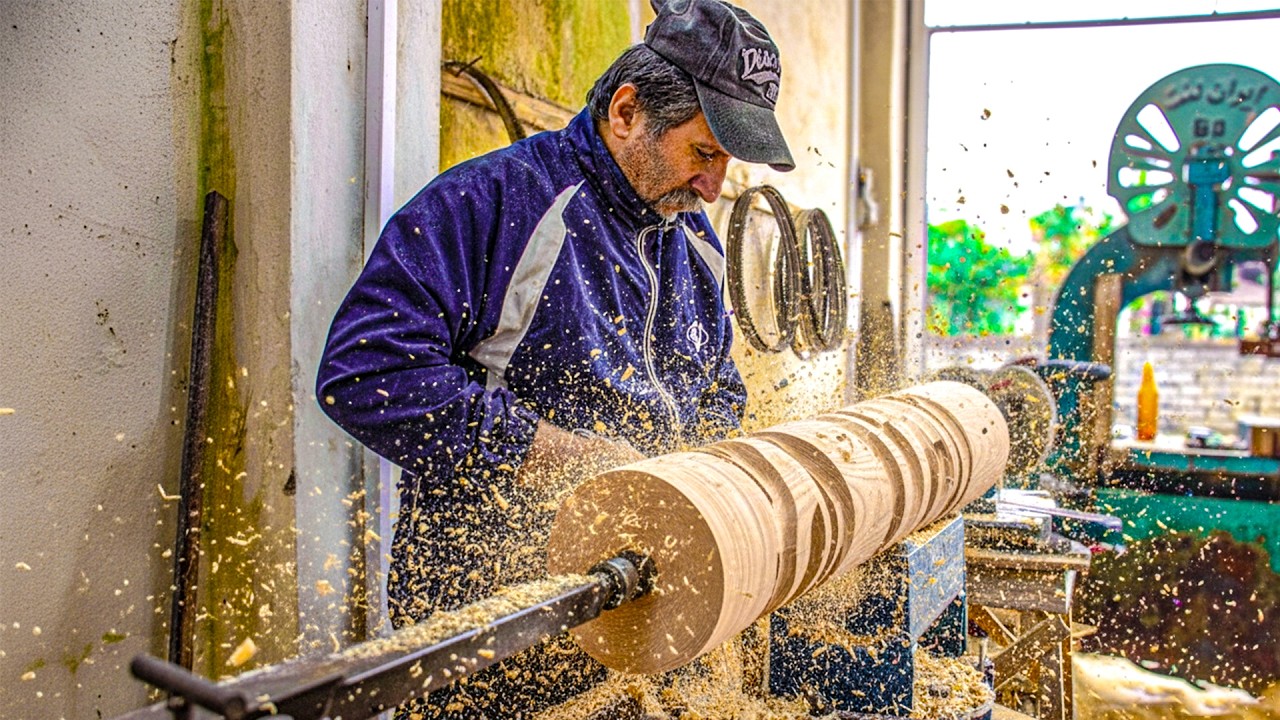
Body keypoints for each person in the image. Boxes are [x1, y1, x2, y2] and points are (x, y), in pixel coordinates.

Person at [317, 0, 793, 714]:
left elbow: (716, 390)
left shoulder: (692, 242)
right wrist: (551, 454)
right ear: (628, 112)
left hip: (636, 622)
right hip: (493, 630)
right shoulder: (495, 202)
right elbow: (366, 369)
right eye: (703, 153)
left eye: (726, 162)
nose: (712, 187)